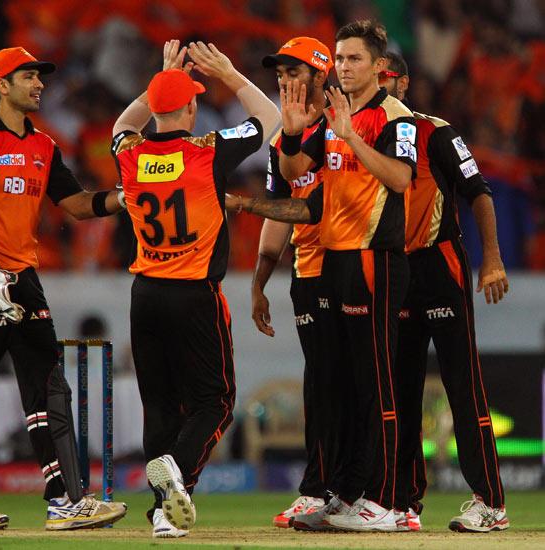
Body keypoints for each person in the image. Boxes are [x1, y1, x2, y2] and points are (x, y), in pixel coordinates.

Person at [227, 20, 418, 532]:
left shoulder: (395, 117)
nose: (345, 67)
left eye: (354, 59)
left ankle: (386, 500)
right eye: (341, 58)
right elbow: (294, 177)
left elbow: (401, 179)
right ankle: (348, 494)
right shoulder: (336, 116)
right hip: (336, 260)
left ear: (378, 66)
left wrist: (352, 136)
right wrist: (292, 130)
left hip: (376, 257)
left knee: (376, 381)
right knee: (349, 382)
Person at [0, 46, 127, 531]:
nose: (39, 84)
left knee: (48, 387)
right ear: (1, 85)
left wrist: (123, 199)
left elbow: (79, 205)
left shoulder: (45, 145)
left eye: (39, 76)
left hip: (24, 277)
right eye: (28, 76)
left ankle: (65, 502)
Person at [111, 40, 278, 538]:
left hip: (145, 294)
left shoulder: (131, 156)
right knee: (216, 401)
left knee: (160, 405)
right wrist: (229, 72)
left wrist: (158, 84)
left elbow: (122, 125)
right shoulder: (207, 152)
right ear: (191, 106)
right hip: (194, 294)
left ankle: (164, 513)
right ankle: (176, 479)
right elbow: (269, 118)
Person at [381, 51, 509, 533]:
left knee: (462, 383)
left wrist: (492, 259)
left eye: (385, 77)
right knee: (401, 388)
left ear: (404, 83)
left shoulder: (437, 132)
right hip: (394, 269)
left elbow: (479, 192)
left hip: (440, 264)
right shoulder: (362, 133)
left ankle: (491, 502)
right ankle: (403, 503)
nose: (379, 84)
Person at [253, 36, 338, 530]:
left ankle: (350, 490)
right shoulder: (280, 140)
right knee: (321, 383)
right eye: (280, 72)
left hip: (354, 264)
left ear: (322, 77)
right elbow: (279, 209)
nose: (284, 80)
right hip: (308, 269)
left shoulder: (344, 125)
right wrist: (260, 280)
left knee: (348, 384)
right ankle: (322, 491)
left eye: (295, 71)